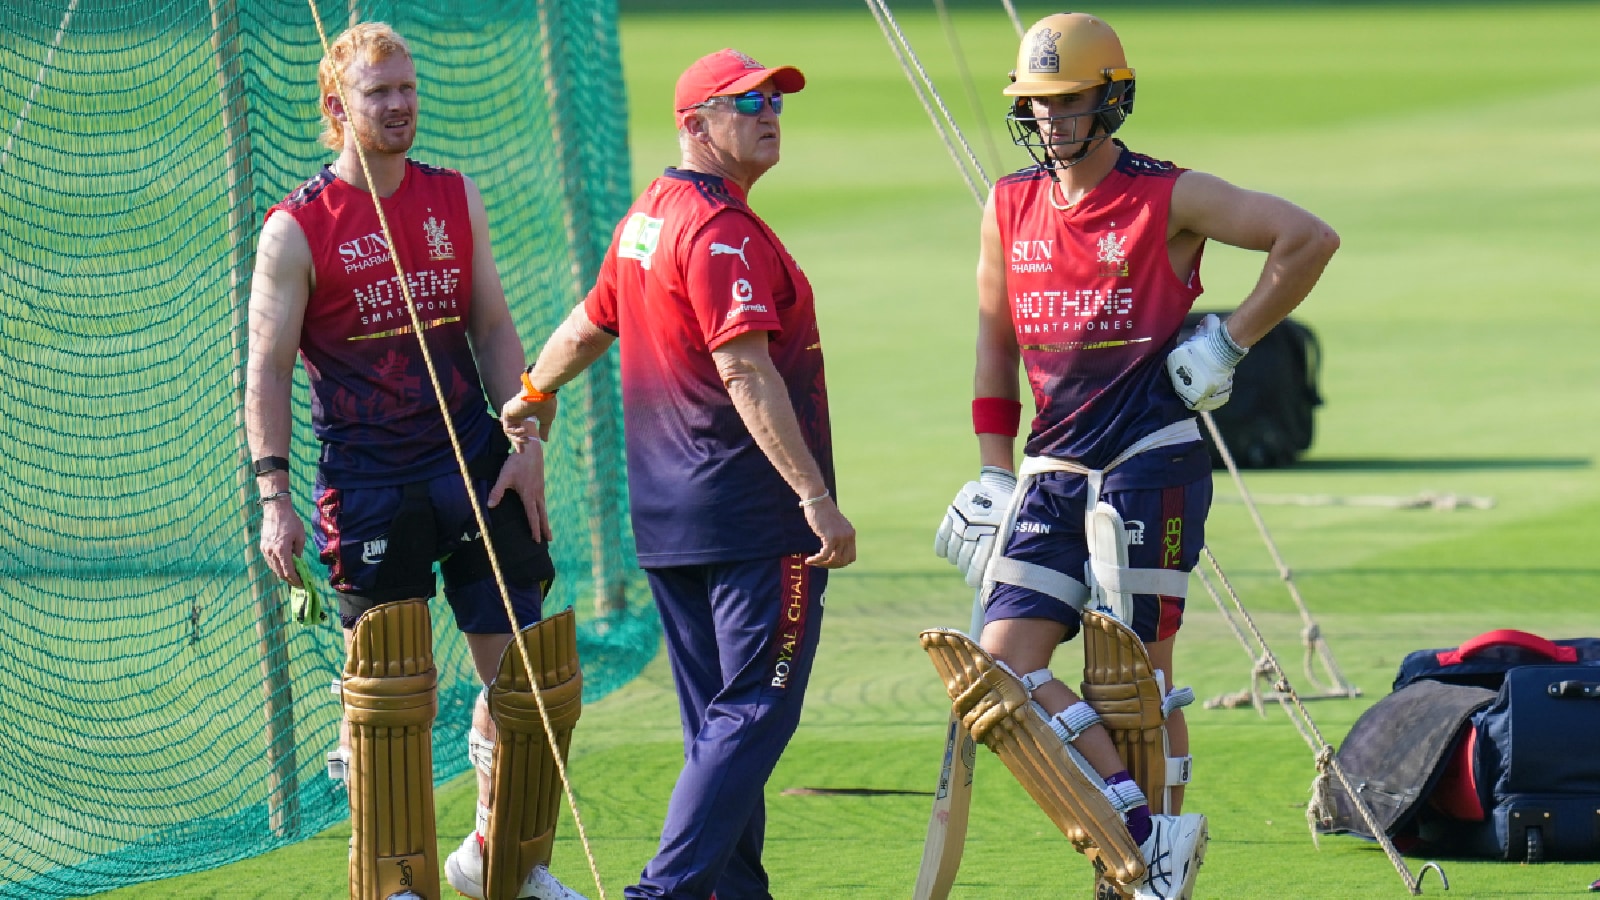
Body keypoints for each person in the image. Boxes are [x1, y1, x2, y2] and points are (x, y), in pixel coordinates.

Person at [935, 12, 1339, 899]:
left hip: (1150, 458)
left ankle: (1155, 857)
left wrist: (1230, 341)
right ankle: (1144, 826)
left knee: (1134, 676)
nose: (1049, 121)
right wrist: (992, 469)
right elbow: (993, 342)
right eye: (1035, 104)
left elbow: (1307, 239)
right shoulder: (1007, 204)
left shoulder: (1170, 194)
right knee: (1002, 661)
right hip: (1051, 469)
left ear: (1111, 98)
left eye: (1067, 101)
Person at [499, 48, 855, 900]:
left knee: (717, 725)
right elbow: (745, 373)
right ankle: (661, 894)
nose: (770, 112)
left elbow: (589, 325)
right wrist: (814, 497)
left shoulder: (647, 218)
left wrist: (534, 389)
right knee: (754, 712)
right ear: (695, 125)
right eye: (747, 102)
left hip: (668, 518)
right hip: (752, 515)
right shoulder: (721, 232)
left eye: (775, 98)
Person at [243, 22, 583, 900]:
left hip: (474, 463)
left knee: (524, 681)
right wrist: (272, 494)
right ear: (335, 107)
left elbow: (496, 326)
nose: (398, 106)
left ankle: (497, 862)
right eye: (377, 93)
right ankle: (396, 879)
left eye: (406, 89)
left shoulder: (452, 196)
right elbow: (268, 368)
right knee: (389, 701)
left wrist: (528, 440)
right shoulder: (296, 228)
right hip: (366, 486)